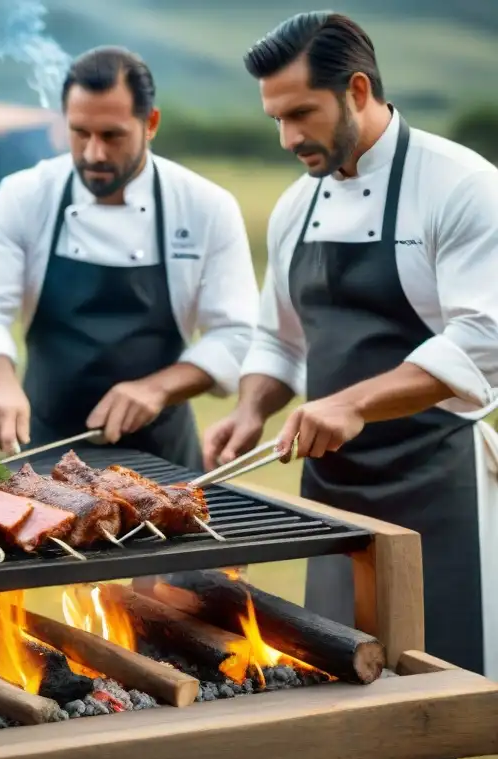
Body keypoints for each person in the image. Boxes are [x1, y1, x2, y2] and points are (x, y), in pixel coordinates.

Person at [202, 12, 498, 677]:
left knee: (435, 693)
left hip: (433, 485)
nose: (286, 138)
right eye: (274, 118)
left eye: (300, 114)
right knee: (339, 676)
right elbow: (278, 340)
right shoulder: (294, 207)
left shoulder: (460, 185)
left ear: (357, 91)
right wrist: (252, 409)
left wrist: (356, 403)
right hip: (330, 490)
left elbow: (486, 336)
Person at [0, 47, 259, 468]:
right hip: (44, 445)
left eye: (112, 135)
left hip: (163, 455)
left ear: (150, 124)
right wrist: (0, 382)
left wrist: (157, 389)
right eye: (80, 132)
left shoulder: (205, 206)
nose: (94, 153)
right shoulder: (24, 194)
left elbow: (237, 334)